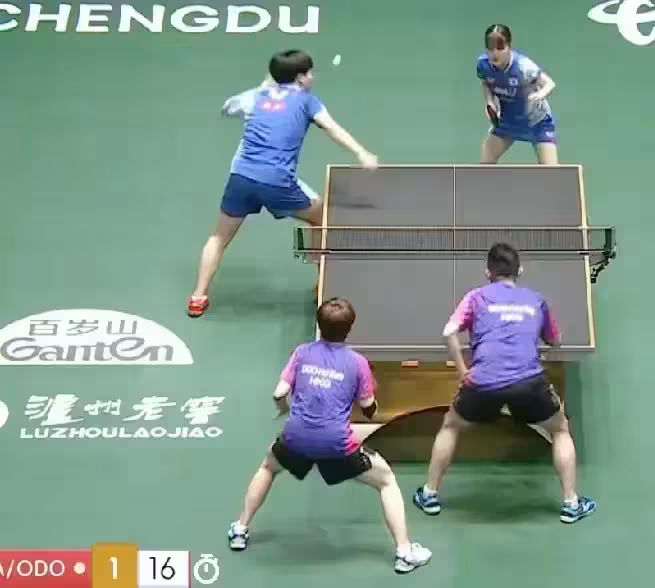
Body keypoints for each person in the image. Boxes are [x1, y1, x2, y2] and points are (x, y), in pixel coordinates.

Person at [227, 297, 433, 574]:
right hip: (337, 445)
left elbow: (278, 393)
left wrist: (284, 410)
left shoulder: (301, 353)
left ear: (319, 325)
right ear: (349, 328)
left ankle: (240, 529)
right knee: (386, 481)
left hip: (295, 438)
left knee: (268, 468)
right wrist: (371, 400)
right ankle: (404, 552)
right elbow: (368, 407)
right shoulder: (357, 363)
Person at [412, 243, 596, 524]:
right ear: (519, 271)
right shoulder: (536, 300)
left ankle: (429, 494)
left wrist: (462, 371)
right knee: (560, 429)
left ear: (488, 273)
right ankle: (571, 503)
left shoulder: (476, 297)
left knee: (451, 425)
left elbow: (448, 332)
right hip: (528, 382)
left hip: (482, 383)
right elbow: (555, 341)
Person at [188, 49, 378, 317]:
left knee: (218, 237)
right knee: (323, 218)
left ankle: (198, 297)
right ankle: (321, 284)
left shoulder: (255, 96)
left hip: (241, 178)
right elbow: (332, 128)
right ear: (299, 78)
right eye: (308, 73)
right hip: (277, 182)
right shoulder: (308, 102)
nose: (312, 77)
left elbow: (227, 108)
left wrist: (262, 87)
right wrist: (361, 152)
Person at [476, 24, 559, 165]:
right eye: (490, 48)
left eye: (500, 47)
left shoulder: (523, 67)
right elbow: (486, 83)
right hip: (507, 122)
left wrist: (540, 94)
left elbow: (550, 83)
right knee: (485, 163)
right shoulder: (483, 65)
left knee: (552, 173)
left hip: (536, 123)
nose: (494, 53)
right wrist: (489, 102)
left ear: (509, 47)